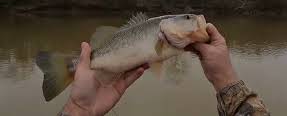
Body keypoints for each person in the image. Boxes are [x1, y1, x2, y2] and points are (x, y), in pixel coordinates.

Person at [59, 23, 270, 116]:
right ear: (166, 26)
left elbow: (158, 56)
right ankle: (65, 69)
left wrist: (77, 110)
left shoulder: (170, 44)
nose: (193, 20)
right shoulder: (164, 39)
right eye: (187, 18)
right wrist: (79, 109)